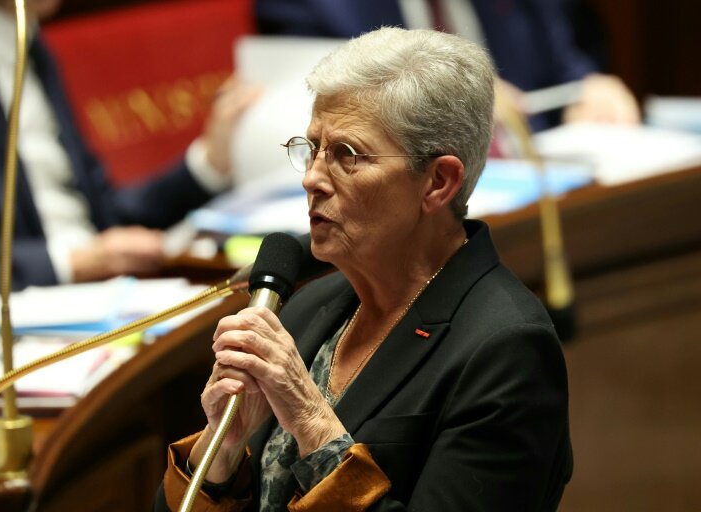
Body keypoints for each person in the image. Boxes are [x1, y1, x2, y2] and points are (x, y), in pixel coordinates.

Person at [155, 27, 572, 511]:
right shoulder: (307, 307)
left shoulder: (506, 349)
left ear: (438, 182)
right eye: (311, 148)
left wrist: (312, 422)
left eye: (346, 156)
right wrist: (221, 451)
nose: (312, 178)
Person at [0, 0, 258, 322]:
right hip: (12, 324)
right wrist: (70, 262)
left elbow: (104, 216)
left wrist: (209, 162)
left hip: (100, 300)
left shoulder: (27, 38)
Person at [254, 0, 640, 131]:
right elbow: (323, 117)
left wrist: (589, 87)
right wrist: (457, 100)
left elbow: (563, 64)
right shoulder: (314, 6)